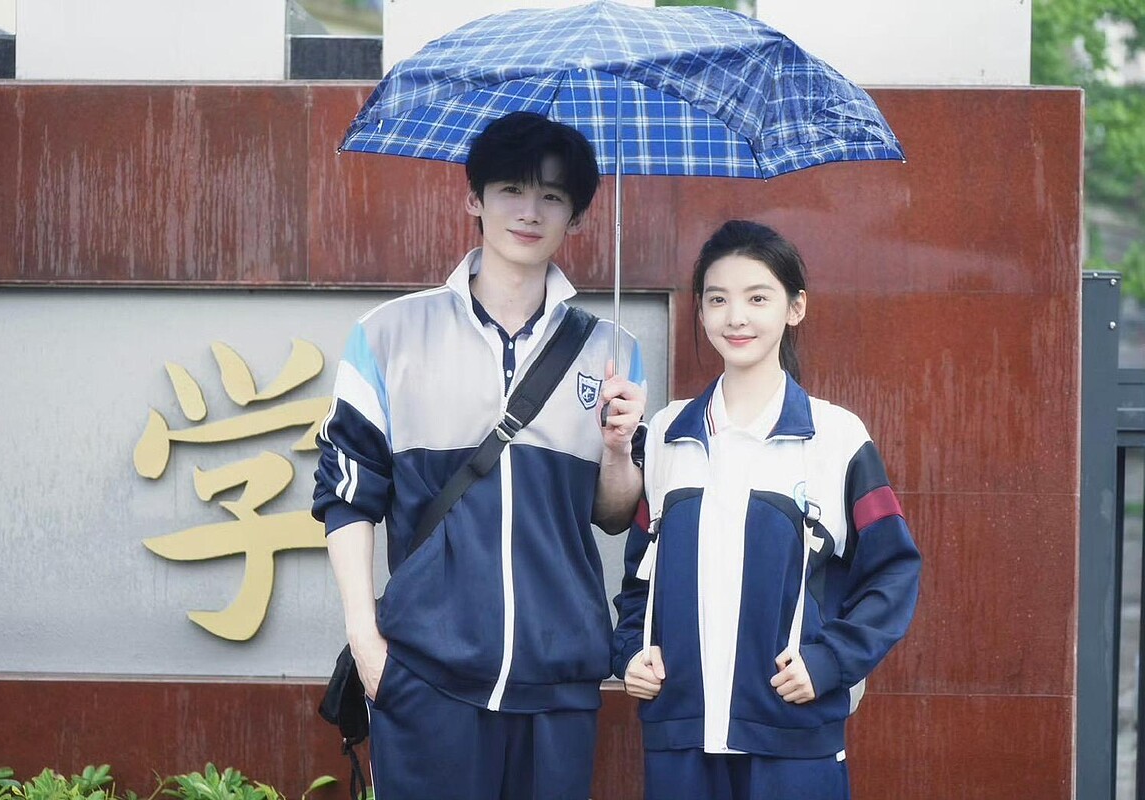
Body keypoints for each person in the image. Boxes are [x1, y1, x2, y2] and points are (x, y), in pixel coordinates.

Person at [312, 111, 646, 800]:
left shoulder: (612, 351)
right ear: (475, 199)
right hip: (427, 673)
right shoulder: (389, 335)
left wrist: (618, 451)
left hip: (559, 680)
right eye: (511, 190)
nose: (530, 211)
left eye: (552, 196)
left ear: (577, 216)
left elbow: (614, 515)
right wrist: (366, 643)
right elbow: (347, 497)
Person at [612, 220, 920, 800]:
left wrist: (830, 661)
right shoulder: (668, 435)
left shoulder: (837, 437)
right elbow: (639, 578)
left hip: (793, 734)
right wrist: (630, 652)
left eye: (757, 298)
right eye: (718, 299)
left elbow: (894, 571)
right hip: (681, 730)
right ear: (700, 310)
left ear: (795, 307)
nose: (736, 318)